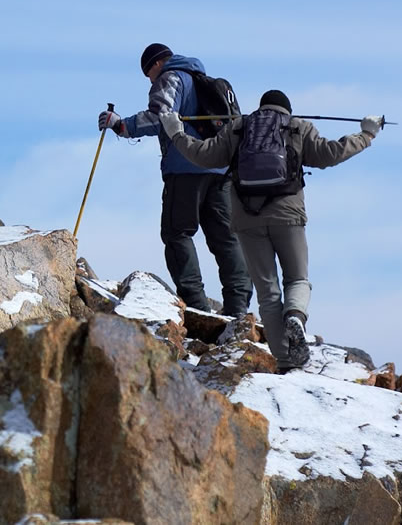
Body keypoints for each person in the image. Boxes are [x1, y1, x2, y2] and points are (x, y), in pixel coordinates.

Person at [161, 90, 382, 371]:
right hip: (287, 214)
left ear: (261, 107)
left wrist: (176, 133)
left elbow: (203, 156)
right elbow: (331, 153)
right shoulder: (298, 127)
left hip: (247, 218)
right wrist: (367, 135)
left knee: (268, 291)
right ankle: (296, 317)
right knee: (297, 279)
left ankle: (285, 360)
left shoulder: (238, 127)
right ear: (286, 110)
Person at [97, 44, 252, 317]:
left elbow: (160, 116)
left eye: (148, 74)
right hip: (220, 169)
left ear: (157, 64)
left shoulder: (171, 78)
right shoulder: (207, 81)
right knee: (226, 238)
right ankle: (238, 307)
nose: (150, 80)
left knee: (177, 233)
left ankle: (196, 305)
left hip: (185, 168)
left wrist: (121, 125)